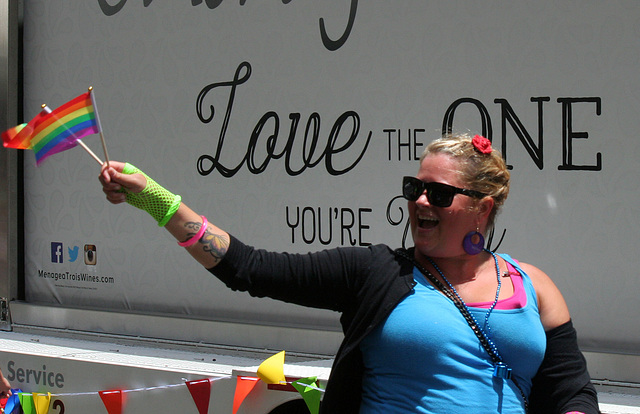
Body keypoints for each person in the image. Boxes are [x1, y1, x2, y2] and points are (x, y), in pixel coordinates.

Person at [99, 133, 599, 413]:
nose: (420, 201)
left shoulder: (534, 286)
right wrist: (153, 199)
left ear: (483, 209)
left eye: (440, 194)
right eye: (414, 187)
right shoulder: (375, 271)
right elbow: (248, 268)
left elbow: (571, 392)